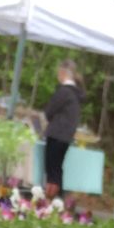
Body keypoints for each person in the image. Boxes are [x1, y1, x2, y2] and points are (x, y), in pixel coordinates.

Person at [43, 61, 81, 198]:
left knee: (51, 169)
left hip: (56, 134)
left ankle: (50, 198)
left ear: (63, 73)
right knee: (57, 168)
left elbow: (49, 112)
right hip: (66, 136)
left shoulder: (64, 92)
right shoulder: (76, 94)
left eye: (59, 73)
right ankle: (57, 199)